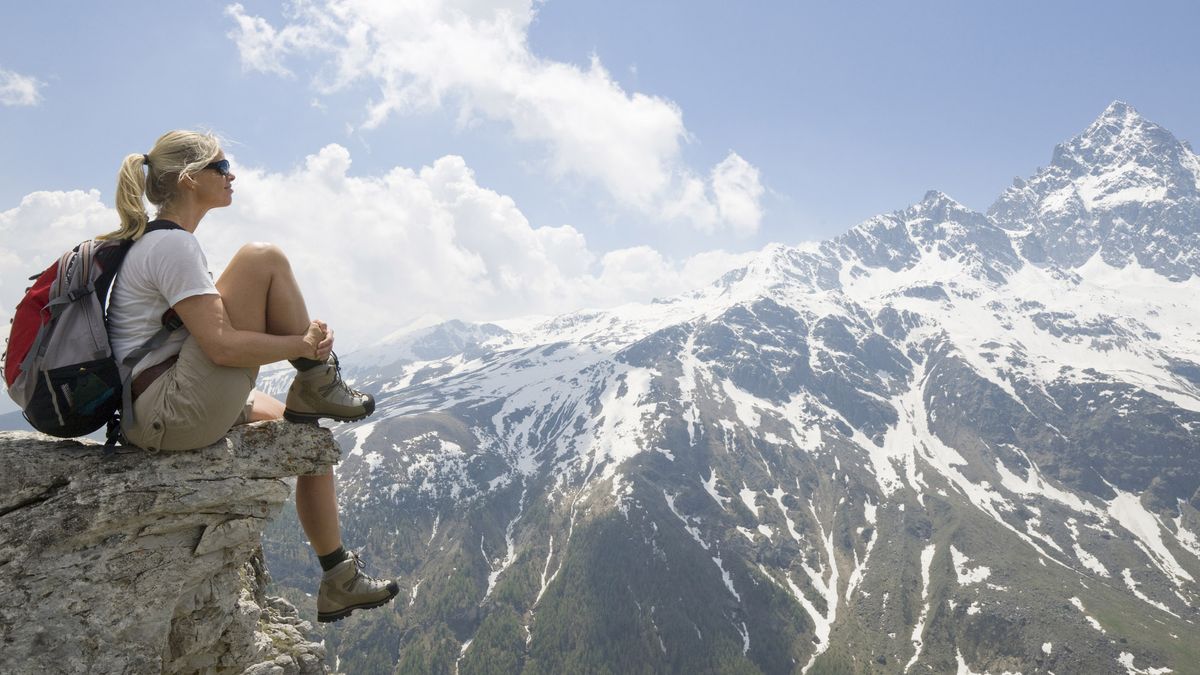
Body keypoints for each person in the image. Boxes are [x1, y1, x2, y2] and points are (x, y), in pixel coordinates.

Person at [102, 129, 397, 623]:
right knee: (263, 257)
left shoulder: (164, 244)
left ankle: (337, 576)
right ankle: (318, 378)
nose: (231, 175)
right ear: (192, 179)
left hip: (158, 406)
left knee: (306, 436)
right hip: (172, 411)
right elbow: (220, 346)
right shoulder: (172, 247)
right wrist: (299, 346)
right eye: (222, 166)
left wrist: (297, 347)